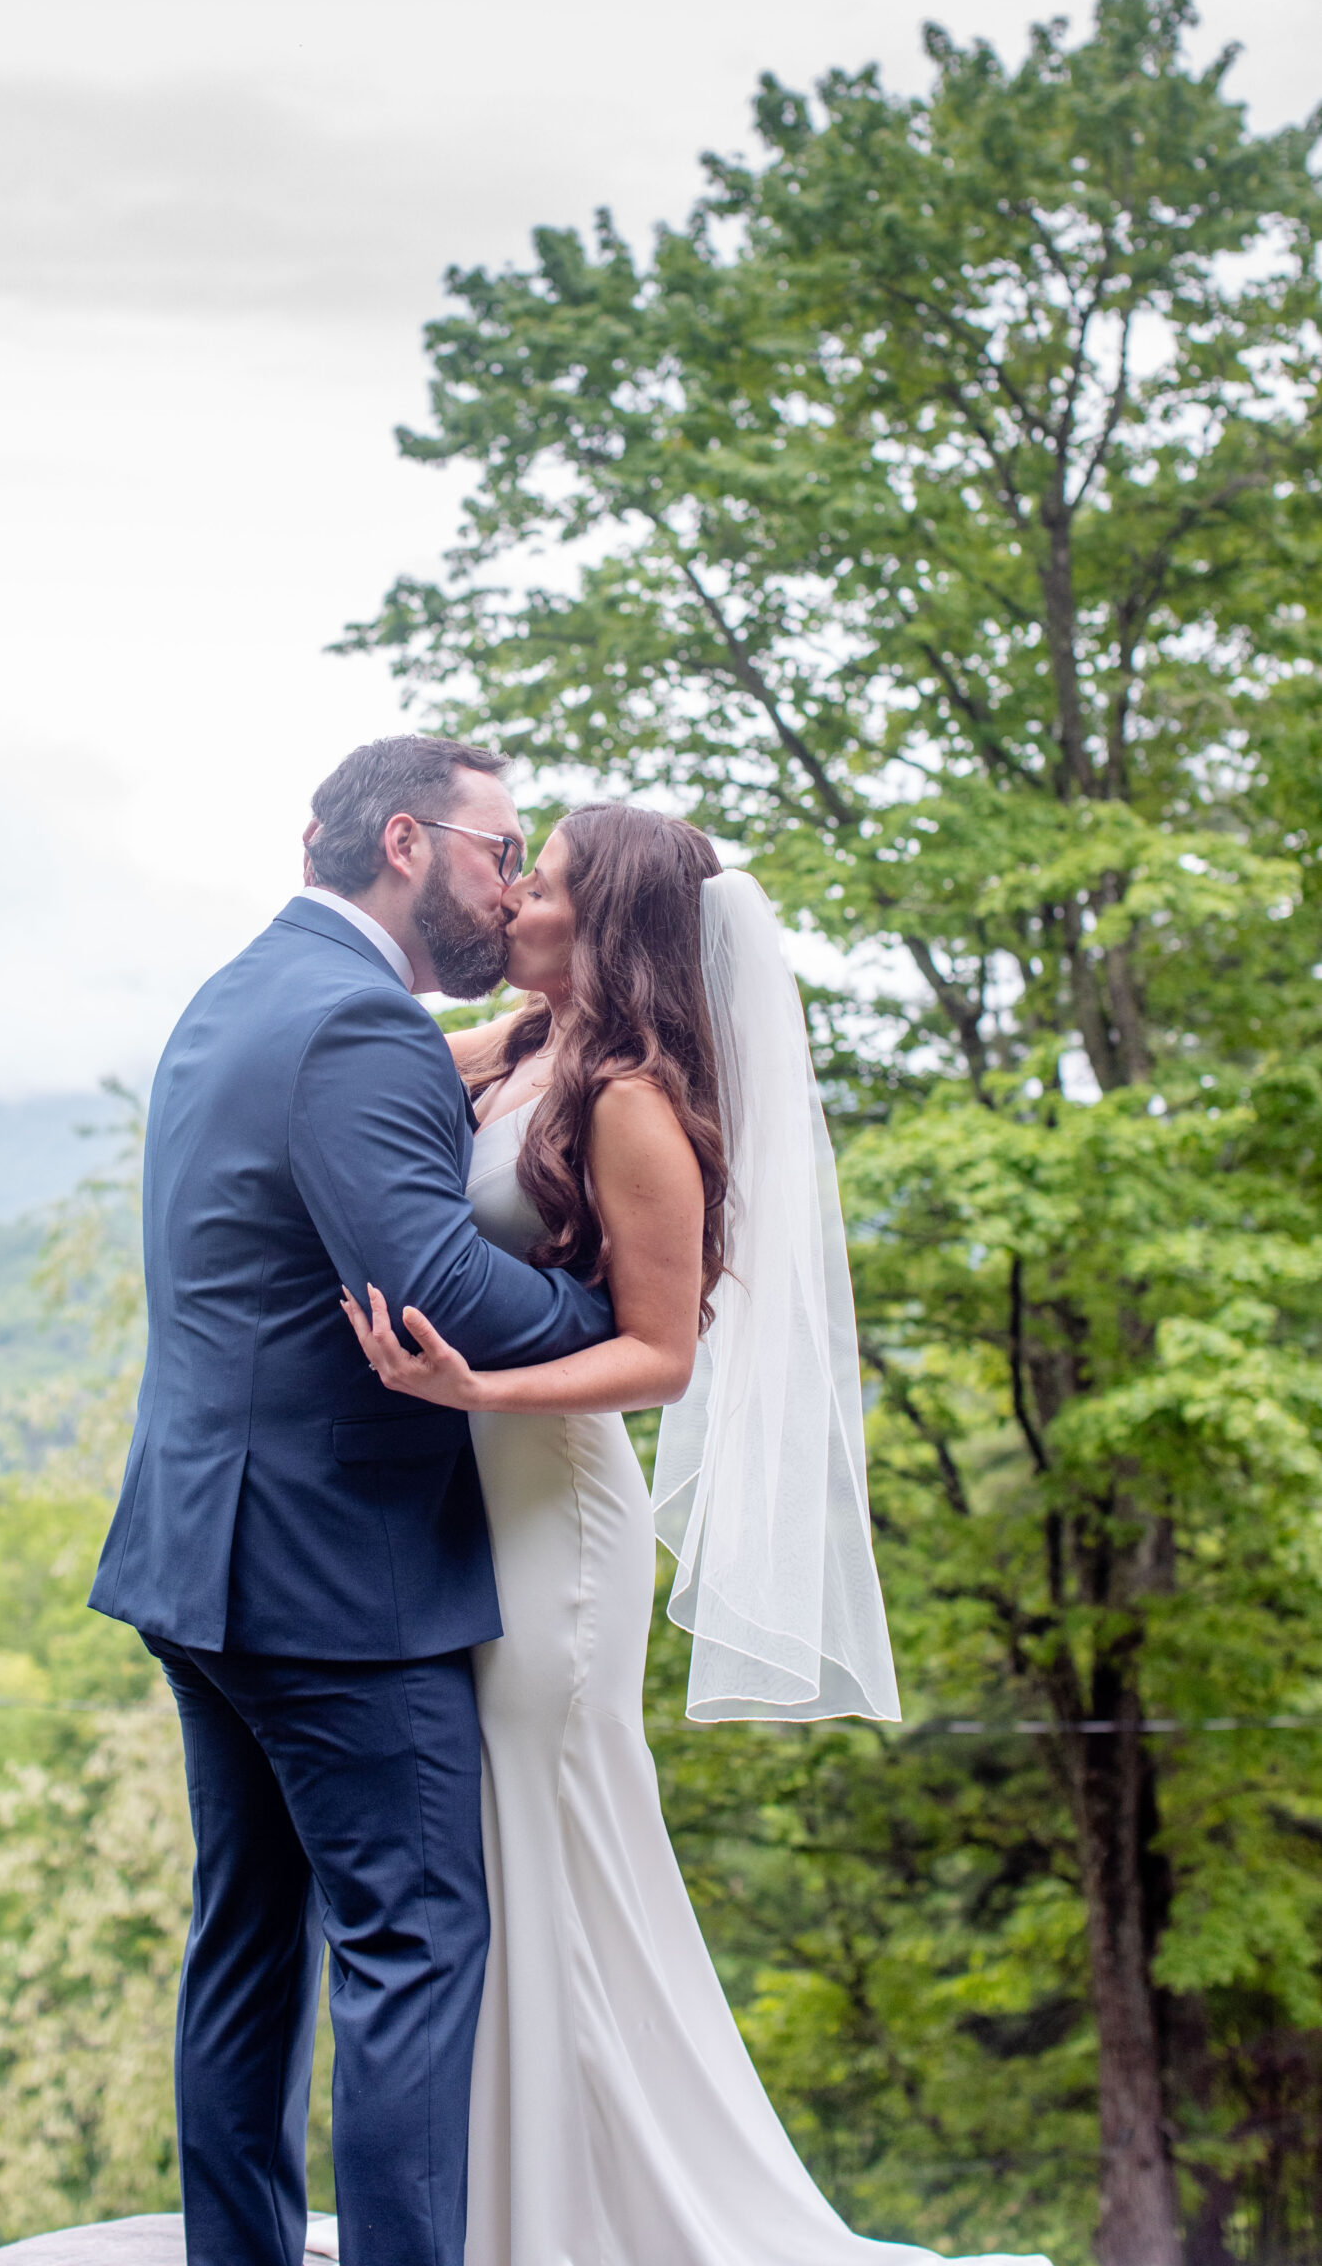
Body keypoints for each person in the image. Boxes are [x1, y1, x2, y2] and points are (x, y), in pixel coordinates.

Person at [344, 802, 1047, 2266]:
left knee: (554, 1830)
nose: (513, 903)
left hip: (553, 1509)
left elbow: (662, 1351)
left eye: (539, 888)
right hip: (473, 1493)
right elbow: (375, 1057)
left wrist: (482, 1383)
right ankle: (513, 2199)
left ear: (601, 927)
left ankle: (600, 2219)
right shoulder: (530, 1051)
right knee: (498, 1837)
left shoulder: (631, 1103)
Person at [87, 737, 616, 2266]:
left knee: (247, 1948)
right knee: (414, 1941)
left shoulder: (240, 992)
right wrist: (628, 1332)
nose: (511, 884)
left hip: (202, 1556)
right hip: (335, 1580)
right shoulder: (359, 1024)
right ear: (406, 842)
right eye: (498, 851)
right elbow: (434, 1286)